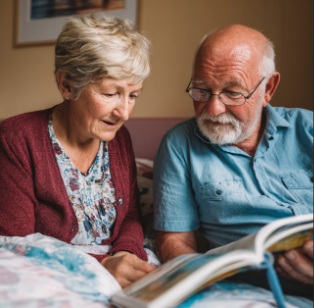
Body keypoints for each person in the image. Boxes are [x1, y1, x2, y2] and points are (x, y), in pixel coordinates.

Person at [153, 24, 313, 297]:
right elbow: (175, 240)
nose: (213, 109)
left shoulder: (307, 128)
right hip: (249, 293)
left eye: (233, 92)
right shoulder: (179, 144)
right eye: (201, 90)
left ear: (269, 88)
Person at [0, 13, 156, 288]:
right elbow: (13, 246)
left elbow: (131, 215)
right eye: (110, 93)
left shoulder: (120, 139)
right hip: (48, 276)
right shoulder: (16, 139)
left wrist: (126, 254)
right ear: (67, 84)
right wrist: (105, 265)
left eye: (133, 95)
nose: (124, 113)